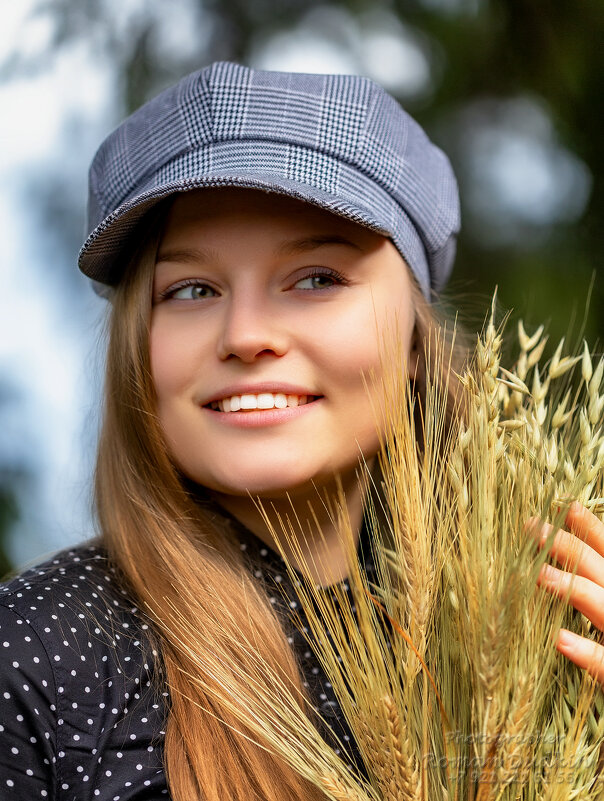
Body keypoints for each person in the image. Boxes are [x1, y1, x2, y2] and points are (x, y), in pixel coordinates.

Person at [1, 61, 603, 801]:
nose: (247, 334)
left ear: (415, 343)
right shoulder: (34, 658)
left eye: (316, 277)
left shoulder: (539, 644)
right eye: (191, 289)